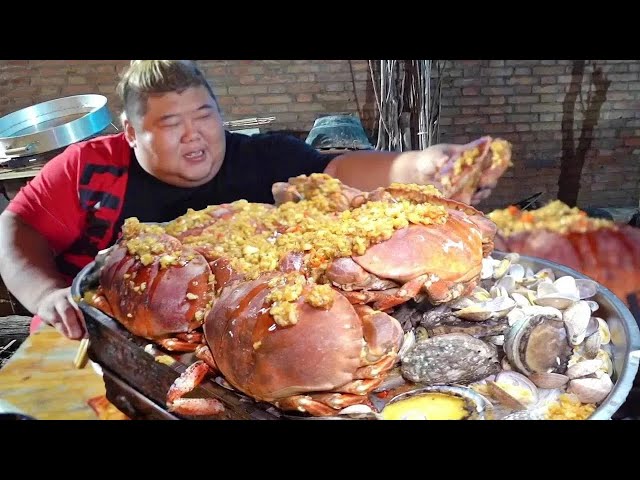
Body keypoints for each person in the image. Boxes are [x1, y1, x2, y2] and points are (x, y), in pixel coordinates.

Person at [0, 60, 499, 342]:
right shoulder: (87, 168)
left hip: (238, 343)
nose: (194, 137)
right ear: (131, 133)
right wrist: (45, 293)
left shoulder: (265, 157)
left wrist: (425, 166)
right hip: (90, 335)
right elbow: (14, 230)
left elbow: (344, 172)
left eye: (205, 116)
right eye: (170, 125)